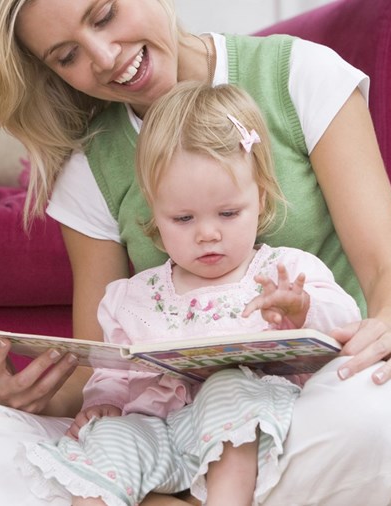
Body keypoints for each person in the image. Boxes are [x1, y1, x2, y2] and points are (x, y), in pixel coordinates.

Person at [0, 0, 391, 504]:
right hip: (163, 431)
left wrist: (387, 331)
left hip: (307, 415)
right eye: (67, 55)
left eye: (105, 14)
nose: (105, 56)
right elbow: (104, 364)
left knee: (379, 415)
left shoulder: (297, 74)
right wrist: (29, 396)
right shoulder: (89, 163)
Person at [21, 81, 363, 506]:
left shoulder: (284, 272)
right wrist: (103, 404)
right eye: (183, 218)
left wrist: (303, 308)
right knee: (106, 434)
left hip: (253, 431)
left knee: (227, 387)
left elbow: (346, 322)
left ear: (259, 197)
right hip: (162, 432)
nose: (207, 234)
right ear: (155, 214)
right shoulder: (135, 296)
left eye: (228, 213)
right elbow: (113, 373)